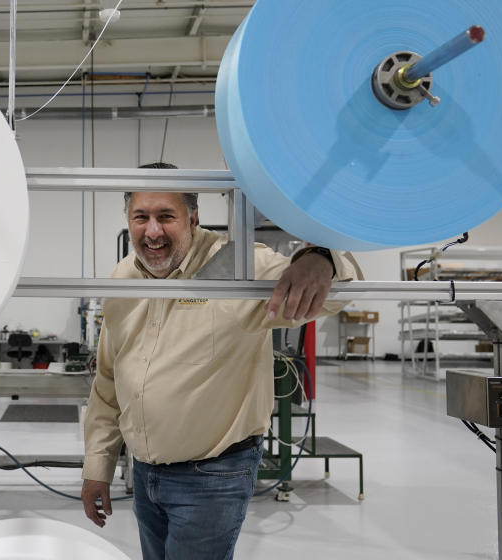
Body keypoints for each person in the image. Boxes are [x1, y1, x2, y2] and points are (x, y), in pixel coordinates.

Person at [80, 163, 363, 560]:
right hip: (144, 473)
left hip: (211, 476)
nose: (153, 231)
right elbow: (109, 380)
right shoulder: (122, 278)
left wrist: (320, 259)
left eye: (166, 217)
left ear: (193, 217)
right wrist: (98, 465)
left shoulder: (234, 265)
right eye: (141, 217)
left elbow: (337, 291)